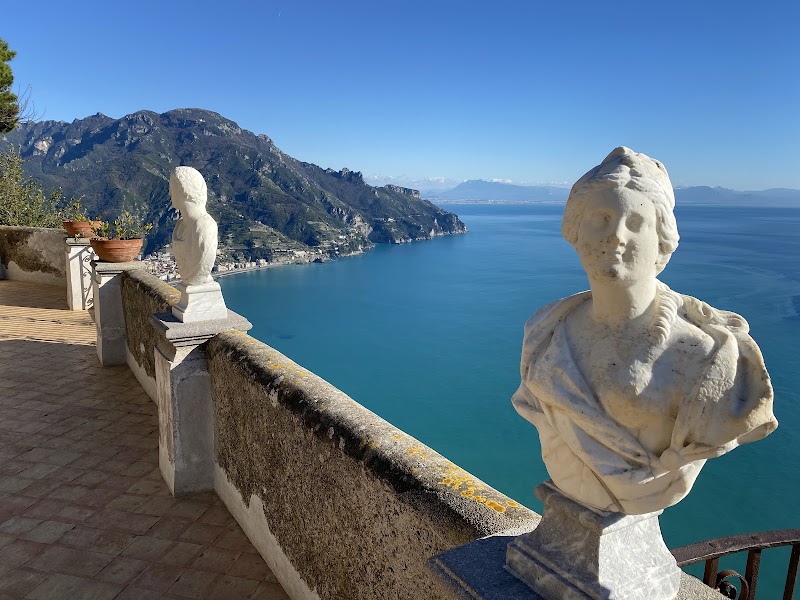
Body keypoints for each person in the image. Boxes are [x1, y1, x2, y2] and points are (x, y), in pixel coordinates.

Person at [512, 147, 778, 515]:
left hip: (643, 502)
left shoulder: (703, 357)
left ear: (661, 241)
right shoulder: (545, 328)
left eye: (635, 222)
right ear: (575, 232)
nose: (616, 235)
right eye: (600, 219)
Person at [169, 166, 217, 285]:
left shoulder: (206, 226)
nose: (169, 193)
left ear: (184, 189)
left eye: (172, 188)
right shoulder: (180, 225)